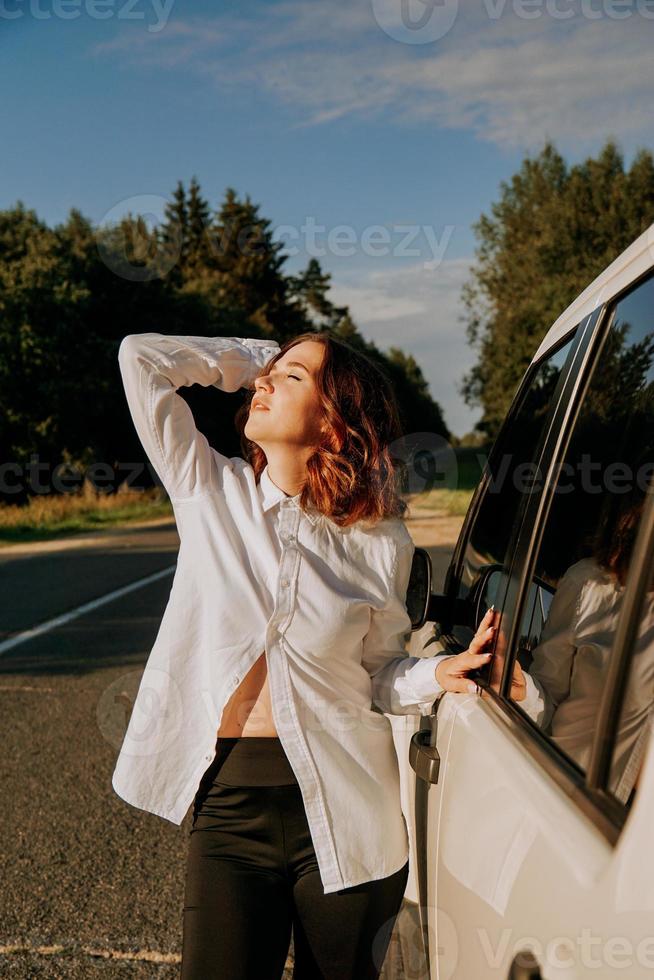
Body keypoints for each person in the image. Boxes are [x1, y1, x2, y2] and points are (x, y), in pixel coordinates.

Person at [110, 330, 495, 980]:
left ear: (333, 421)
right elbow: (139, 359)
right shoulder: (210, 493)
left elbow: (378, 677)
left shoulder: (378, 540)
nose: (263, 384)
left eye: (292, 380)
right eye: (269, 374)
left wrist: (438, 673)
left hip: (347, 813)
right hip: (230, 810)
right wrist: (268, 358)